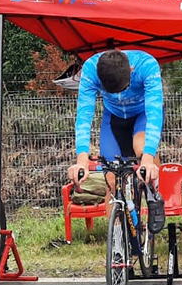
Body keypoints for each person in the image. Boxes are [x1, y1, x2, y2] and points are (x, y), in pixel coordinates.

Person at [67, 49, 165, 231]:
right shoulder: (90, 70)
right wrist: (81, 160)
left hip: (142, 115)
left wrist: (148, 159)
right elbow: (84, 116)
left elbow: (154, 113)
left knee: (140, 147)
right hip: (113, 118)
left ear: (131, 69)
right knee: (111, 180)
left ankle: (155, 192)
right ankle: (119, 242)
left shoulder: (146, 65)